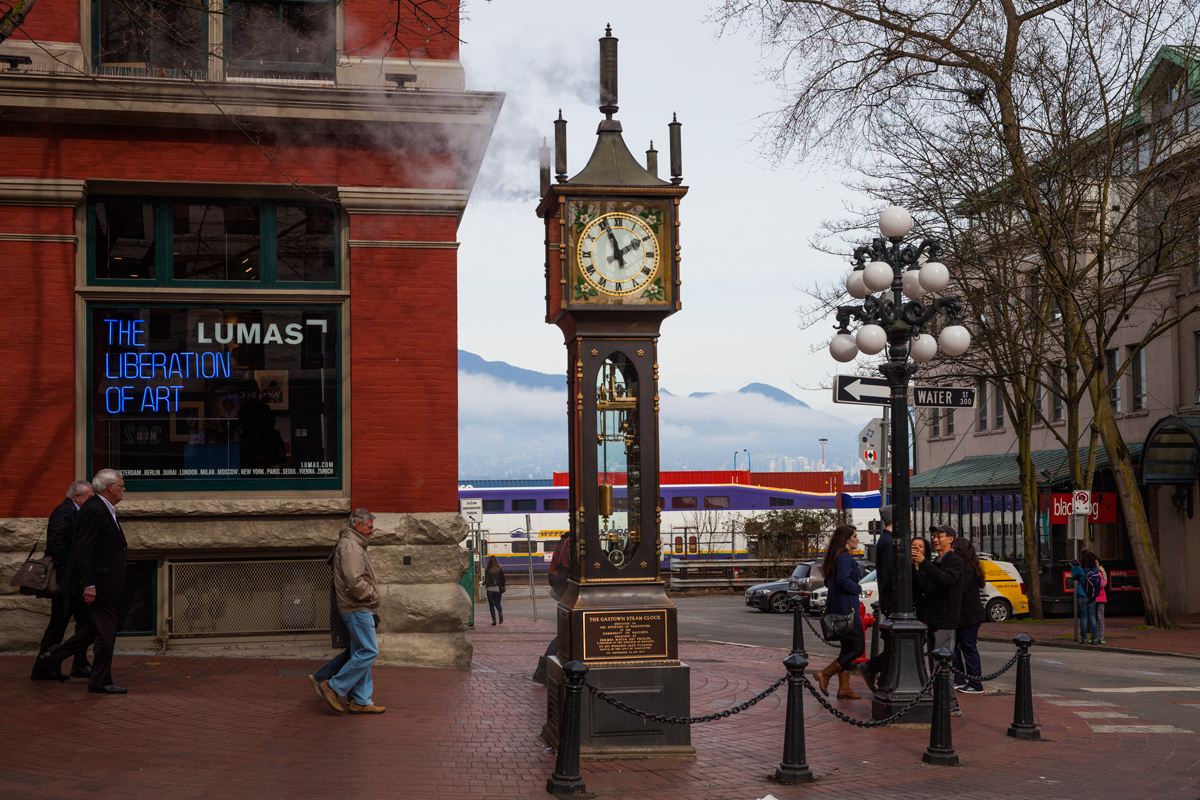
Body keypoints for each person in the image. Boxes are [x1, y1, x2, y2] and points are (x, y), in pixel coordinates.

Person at [37, 469, 128, 694]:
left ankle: (55, 655)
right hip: (98, 584)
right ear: (110, 488)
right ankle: (100, 681)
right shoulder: (94, 509)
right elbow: (84, 549)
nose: (124, 490)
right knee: (106, 634)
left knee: (91, 629)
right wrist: (89, 584)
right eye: (121, 486)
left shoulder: (104, 508)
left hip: (106, 582)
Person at [318, 508, 385, 715]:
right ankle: (333, 686)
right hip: (357, 607)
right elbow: (354, 581)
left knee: (359, 652)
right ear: (358, 525)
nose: (372, 531)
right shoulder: (351, 546)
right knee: (369, 651)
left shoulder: (353, 543)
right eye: (369, 527)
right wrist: (372, 594)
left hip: (357, 606)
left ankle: (360, 700)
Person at [32, 481, 95, 681]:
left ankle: (78, 663)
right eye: (89, 496)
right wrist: (65, 573)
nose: (92, 500)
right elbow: (56, 545)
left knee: (82, 621)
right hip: (67, 582)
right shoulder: (64, 512)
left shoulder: (74, 511)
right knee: (60, 623)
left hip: (73, 580)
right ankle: (45, 666)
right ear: (77, 497)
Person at [814, 524, 865, 700]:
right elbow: (843, 581)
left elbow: (829, 583)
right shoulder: (844, 557)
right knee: (858, 648)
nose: (857, 539)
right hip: (848, 610)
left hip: (839, 608)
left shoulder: (835, 556)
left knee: (847, 649)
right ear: (846, 540)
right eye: (855, 536)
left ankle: (844, 688)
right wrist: (857, 588)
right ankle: (826, 673)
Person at [858, 505, 894, 692]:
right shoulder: (888, 542)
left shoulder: (885, 540)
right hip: (892, 600)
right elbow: (888, 572)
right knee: (897, 643)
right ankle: (874, 668)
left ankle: (883, 675)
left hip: (889, 598)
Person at [951, 537, 986, 694]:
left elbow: (961, 589)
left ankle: (975, 683)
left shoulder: (967, 569)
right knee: (957, 646)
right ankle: (959, 678)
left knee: (968, 647)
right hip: (965, 615)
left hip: (969, 616)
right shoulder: (971, 567)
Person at [1071, 550, 1101, 644]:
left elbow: (1073, 576)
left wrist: (1074, 566)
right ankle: (1094, 638)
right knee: (1092, 617)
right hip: (1092, 595)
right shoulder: (1095, 568)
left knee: (1084, 617)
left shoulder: (1080, 569)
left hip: (1082, 595)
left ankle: (1084, 638)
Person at [483, 555, 506, 625]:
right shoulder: (500, 569)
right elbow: (503, 579)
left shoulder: (487, 570)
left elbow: (486, 580)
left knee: (491, 605)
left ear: (489, 562)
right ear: (496, 561)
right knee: (498, 603)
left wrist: (483, 583)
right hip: (497, 589)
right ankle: (500, 612)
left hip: (490, 589)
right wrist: (502, 585)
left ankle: (494, 620)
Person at [1096, 559, 1109, 645]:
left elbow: (1103, 584)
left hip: (1100, 598)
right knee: (1096, 618)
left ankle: (1100, 637)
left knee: (1100, 618)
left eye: (1097, 563)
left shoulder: (1100, 573)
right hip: (1095, 598)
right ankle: (1096, 637)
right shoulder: (1094, 573)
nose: (1096, 565)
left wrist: (1103, 573)